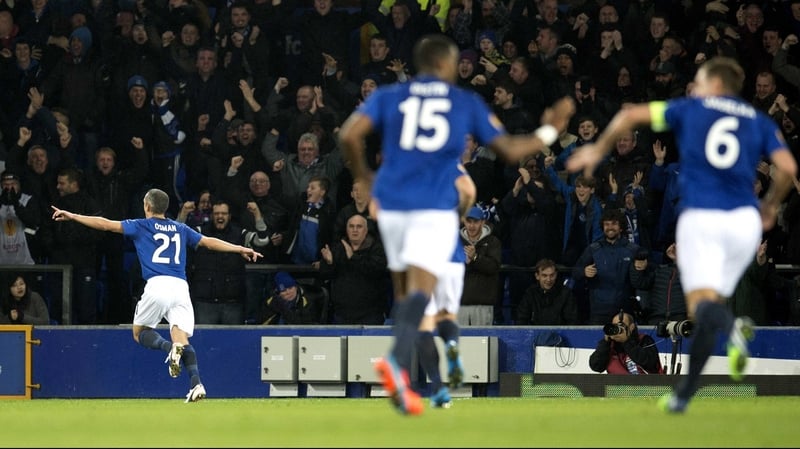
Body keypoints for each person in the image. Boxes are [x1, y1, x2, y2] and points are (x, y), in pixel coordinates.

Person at [337, 33, 575, 415]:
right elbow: (509, 149)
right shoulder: (463, 102)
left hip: (393, 207)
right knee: (422, 297)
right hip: (430, 209)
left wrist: (365, 179)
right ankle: (398, 362)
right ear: (446, 64)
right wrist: (550, 130)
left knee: (408, 298)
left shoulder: (389, 95)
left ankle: (413, 375)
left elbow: (348, 135)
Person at [566, 56, 798, 413]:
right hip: (742, 223)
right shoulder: (758, 120)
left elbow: (629, 115)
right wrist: (770, 204)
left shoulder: (691, 109)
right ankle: (686, 392)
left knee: (702, 307)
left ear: (714, 84)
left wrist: (598, 149)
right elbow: (787, 166)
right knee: (708, 308)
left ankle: (729, 331)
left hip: (702, 217)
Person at [50, 188, 263, 402]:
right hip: (180, 287)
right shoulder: (180, 228)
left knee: (139, 332)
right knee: (182, 337)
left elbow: (105, 224)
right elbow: (208, 242)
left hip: (157, 284)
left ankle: (169, 348)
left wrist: (73, 216)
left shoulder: (141, 225)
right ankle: (196, 383)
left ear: (147, 206)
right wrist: (239, 249)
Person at [588, 310, 664, 374]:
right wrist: (605, 343)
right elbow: (596, 366)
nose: (618, 330)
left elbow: (649, 363)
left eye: (621, 326)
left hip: (646, 385)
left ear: (631, 327)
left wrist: (627, 342)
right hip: (618, 386)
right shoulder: (609, 346)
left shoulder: (644, 340)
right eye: (615, 327)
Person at [515, 258, 579, 325]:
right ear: (537, 276)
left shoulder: (566, 293)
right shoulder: (530, 293)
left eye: (552, 275)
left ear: (556, 275)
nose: (548, 279)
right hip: (536, 331)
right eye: (544, 275)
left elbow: (572, 321)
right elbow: (521, 319)